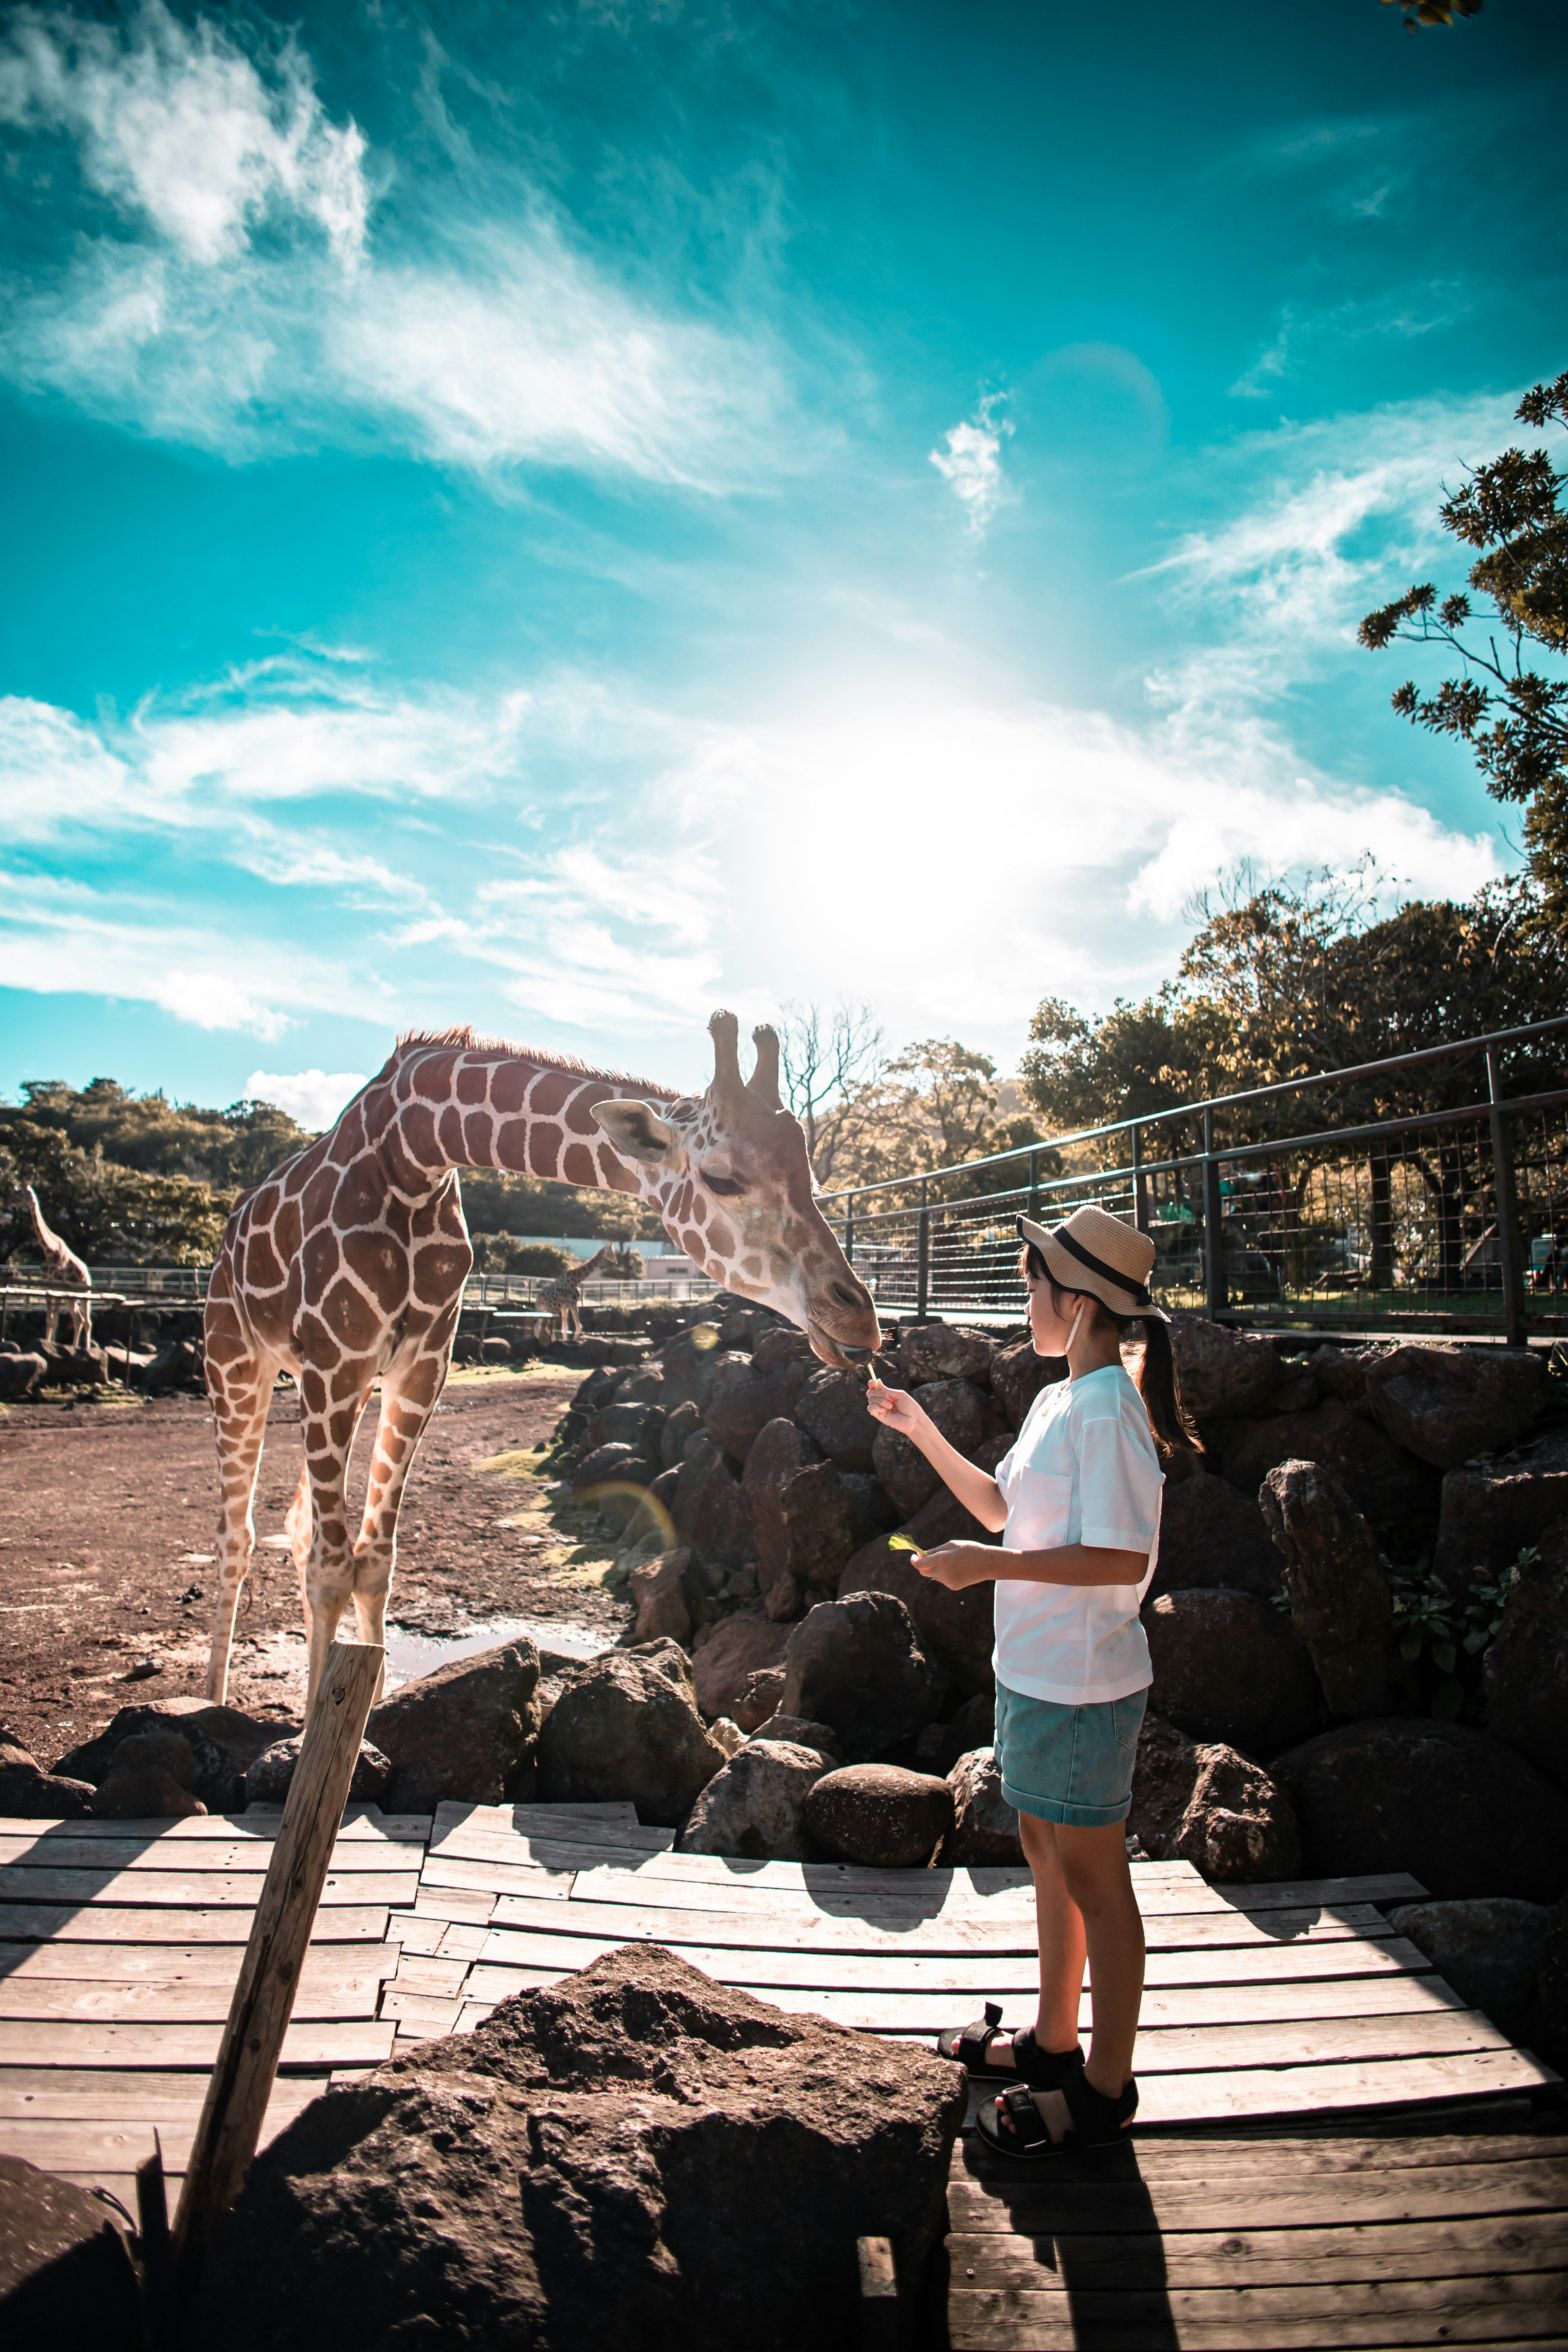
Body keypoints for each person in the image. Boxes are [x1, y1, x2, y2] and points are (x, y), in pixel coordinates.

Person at [866, 1202, 1197, 2156]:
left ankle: (1105, 2089)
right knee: (1049, 1858)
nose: (1025, 1299)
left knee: (1097, 1880)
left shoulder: (1110, 1412)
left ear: (1081, 1300)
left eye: (1031, 1282)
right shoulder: (1062, 1398)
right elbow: (1006, 1505)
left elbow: (1120, 1559)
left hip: (1089, 1686)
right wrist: (920, 1426)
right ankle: (1054, 2043)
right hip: (1042, 1675)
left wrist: (991, 1568)